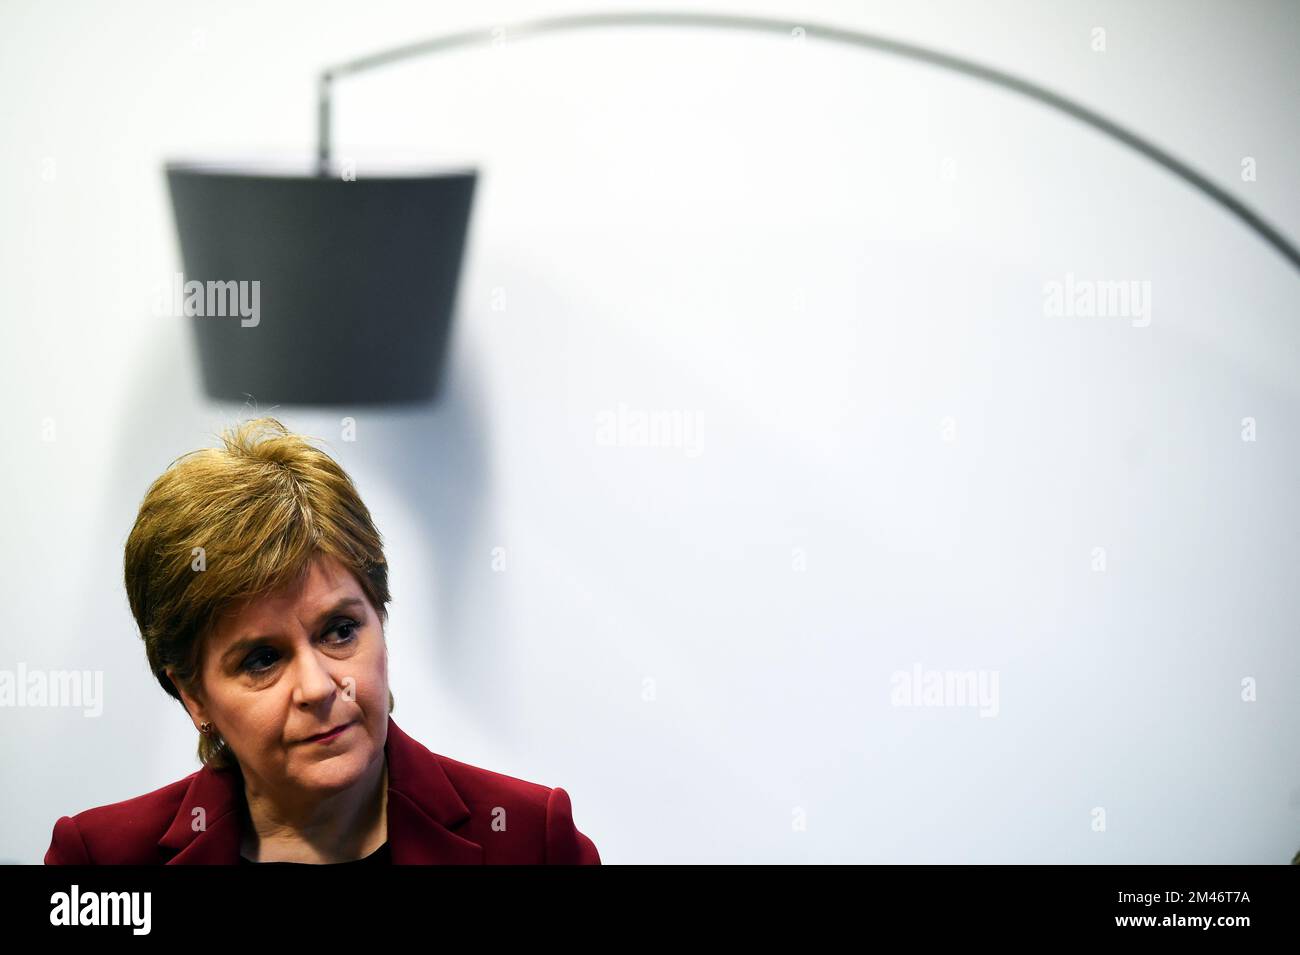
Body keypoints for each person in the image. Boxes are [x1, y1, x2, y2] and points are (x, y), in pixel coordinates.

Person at [44, 417, 600, 865]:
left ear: (381, 620)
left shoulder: (529, 841)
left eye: (339, 631)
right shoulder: (101, 862)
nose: (317, 686)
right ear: (194, 696)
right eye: (262, 660)